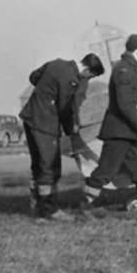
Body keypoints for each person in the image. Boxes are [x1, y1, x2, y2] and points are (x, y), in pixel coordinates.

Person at [80, 34, 137, 220]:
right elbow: (125, 106)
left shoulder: (128, 68)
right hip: (119, 133)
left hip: (125, 132)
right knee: (105, 172)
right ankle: (84, 209)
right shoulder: (125, 70)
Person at [19, 52, 105, 220]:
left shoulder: (56, 63)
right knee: (49, 167)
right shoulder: (71, 80)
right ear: (87, 70)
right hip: (45, 124)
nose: (87, 79)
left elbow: (33, 77)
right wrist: (70, 129)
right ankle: (48, 211)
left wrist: (45, 93)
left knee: (38, 165)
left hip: (30, 118)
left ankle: (36, 207)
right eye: (91, 76)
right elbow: (65, 109)